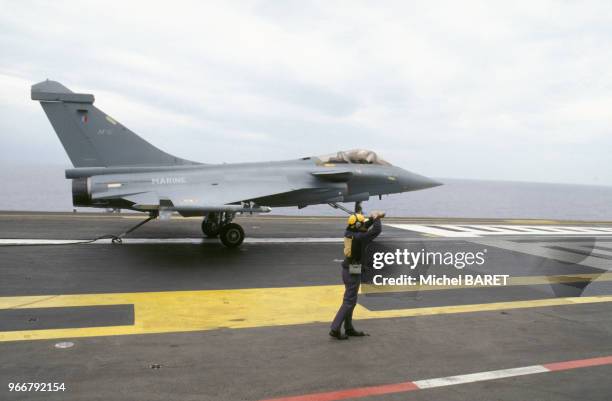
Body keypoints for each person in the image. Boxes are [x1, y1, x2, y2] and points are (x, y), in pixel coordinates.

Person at [329, 210, 385, 340]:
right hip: (352, 271)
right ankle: (334, 329)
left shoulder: (350, 231)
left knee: (351, 300)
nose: (364, 225)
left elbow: (363, 225)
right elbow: (377, 230)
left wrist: (371, 218)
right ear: (359, 226)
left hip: (348, 269)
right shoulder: (360, 237)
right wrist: (377, 218)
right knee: (349, 301)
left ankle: (349, 328)